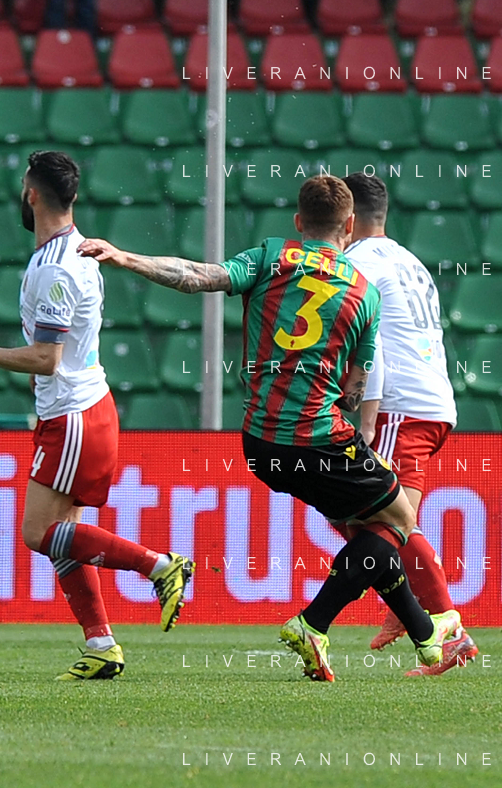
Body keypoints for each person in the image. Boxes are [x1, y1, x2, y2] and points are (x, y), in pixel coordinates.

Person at [78, 175, 460, 682]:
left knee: (367, 533)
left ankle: (424, 636)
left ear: (299, 222)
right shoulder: (363, 291)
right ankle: (316, 624)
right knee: (397, 522)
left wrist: (126, 258)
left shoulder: (270, 257)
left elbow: (197, 276)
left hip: (261, 446)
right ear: (348, 226)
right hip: (320, 440)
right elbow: (356, 387)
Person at [0, 150, 192, 680]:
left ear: (32, 194)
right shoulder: (72, 252)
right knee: (63, 537)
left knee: (38, 533)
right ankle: (101, 645)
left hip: (74, 415)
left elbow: (46, 359)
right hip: (76, 410)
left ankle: (160, 566)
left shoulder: (57, 267)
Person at [339, 173, 477, 677]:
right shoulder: (409, 261)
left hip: (398, 406)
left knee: (381, 518)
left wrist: (367, 422)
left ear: (347, 219)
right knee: (371, 521)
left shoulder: (356, 264)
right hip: (433, 401)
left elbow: (370, 345)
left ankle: (449, 631)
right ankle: (408, 605)